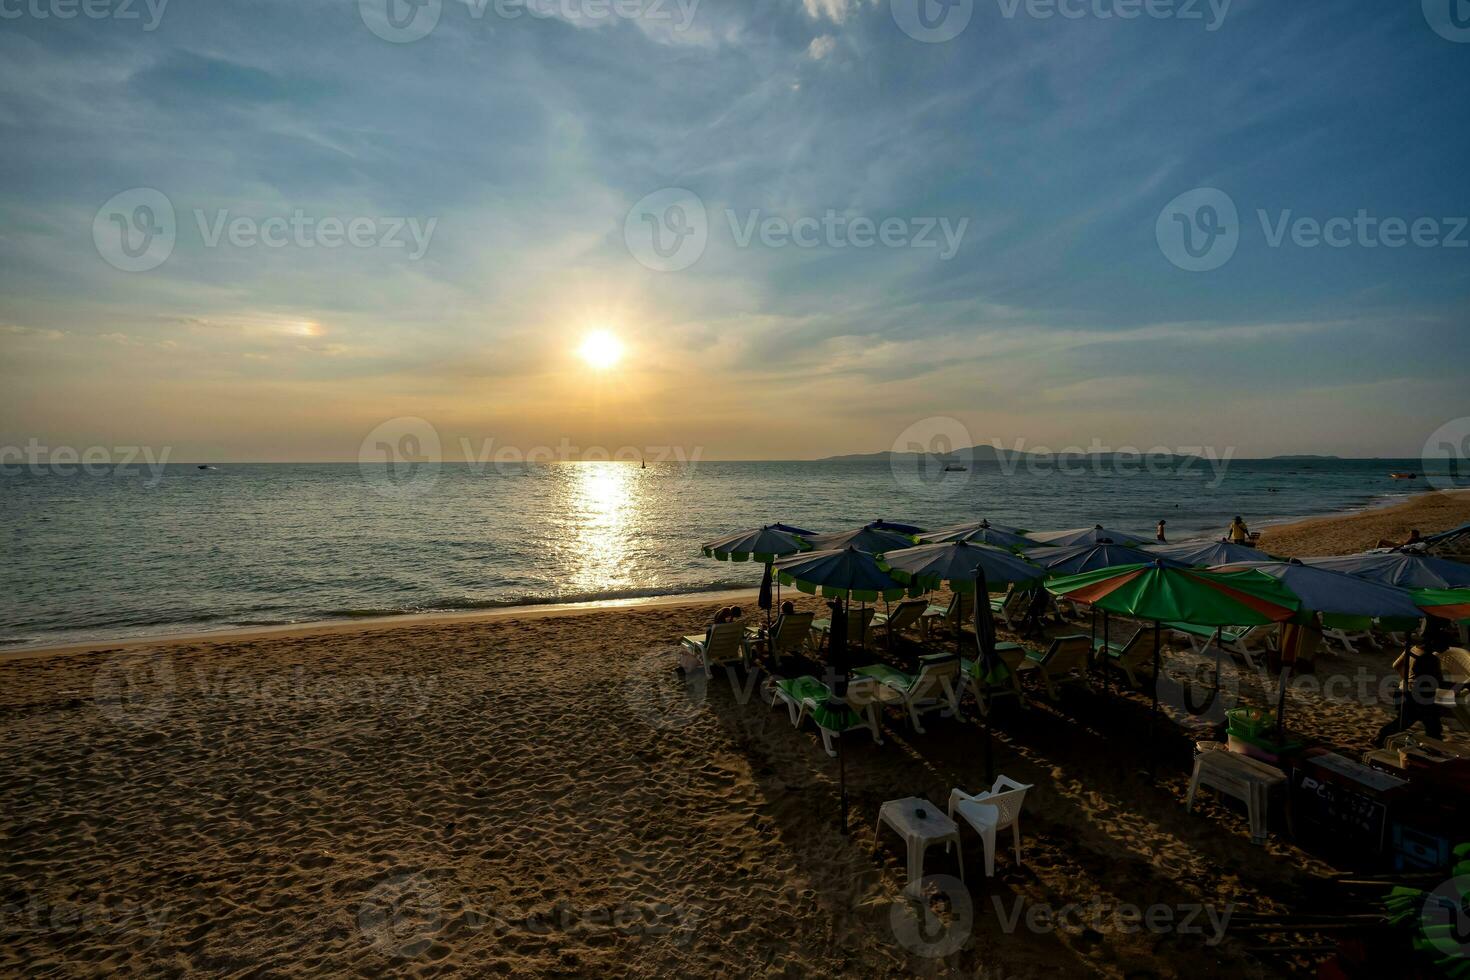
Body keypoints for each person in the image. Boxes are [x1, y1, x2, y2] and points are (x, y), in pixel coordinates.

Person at [1374, 627, 1450, 744]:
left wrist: (1407, 679)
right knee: (1431, 725)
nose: (1447, 648)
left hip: (1403, 691)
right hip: (1416, 698)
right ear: (1433, 642)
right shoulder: (1430, 659)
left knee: (1406, 722)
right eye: (1445, 644)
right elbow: (1438, 682)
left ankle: (1380, 737)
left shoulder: (1412, 649)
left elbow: (1396, 665)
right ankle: (1381, 737)